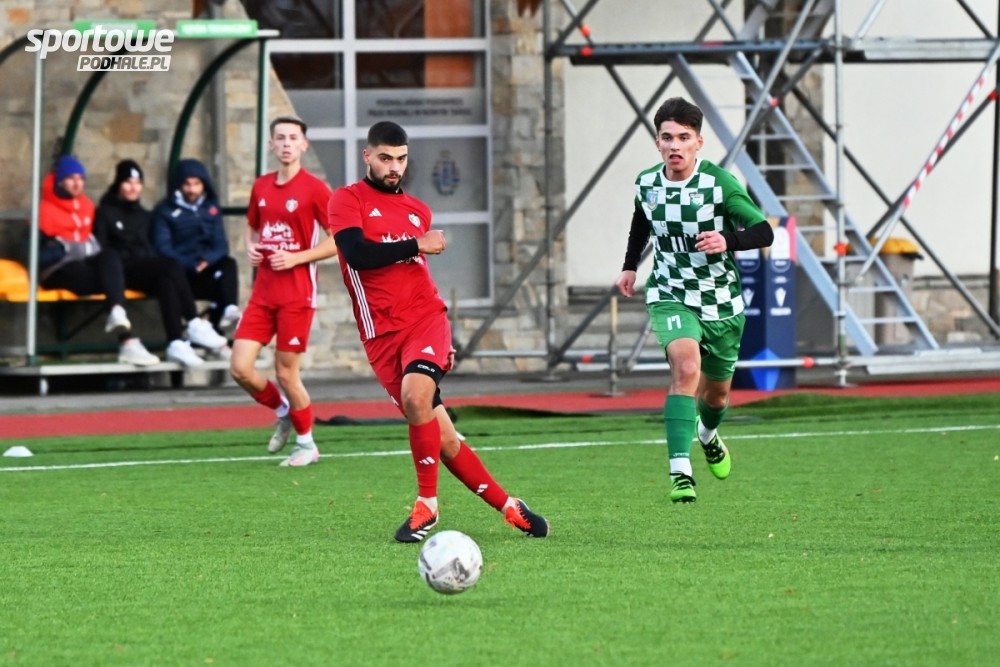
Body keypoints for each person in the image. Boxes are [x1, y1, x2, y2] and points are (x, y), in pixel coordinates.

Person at [328, 121, 549, 542]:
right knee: (443, 439)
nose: (394, 167)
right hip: (380, 336)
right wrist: (417, 243)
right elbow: (356, 255)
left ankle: (426, 506)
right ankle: (510, 507)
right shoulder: (347, 199)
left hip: (425, 319)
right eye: (385, 158)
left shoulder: (418, 211)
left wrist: (440, 339)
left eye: (401, 158)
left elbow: (417, 275)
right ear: (368, 157)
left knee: (416, 396)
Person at [615, 97, 774, 503]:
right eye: (667, 137)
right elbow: (641, 221)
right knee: (686, 367)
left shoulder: (719, 183)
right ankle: (680, 472)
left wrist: (728, 240)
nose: (675, 145)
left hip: (721, 302)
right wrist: (630, 266)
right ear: (657, 142)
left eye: (684, 137)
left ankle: (707, 433)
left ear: (698, 142)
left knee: (716, 396)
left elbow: (764, 231)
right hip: (670, 293)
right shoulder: (647, 183)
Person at [228, 116, 336, 467]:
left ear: (304, 144)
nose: (287, 143)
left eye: (293, 138)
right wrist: (250, 247)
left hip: (297, 295)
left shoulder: (316, 189)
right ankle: (283, 410)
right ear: (271, 145)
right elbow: (252, 228)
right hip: (263, 294)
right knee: (240, 368)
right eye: (280, 138)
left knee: (287, 373)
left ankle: (307, 444)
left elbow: (338, 240)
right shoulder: (261, 187)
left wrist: (296, 258)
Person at [94, 160, 230, 366]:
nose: (133, 188)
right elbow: (103, 250)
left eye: (137, 183)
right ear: (118, 184)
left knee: (166, 280)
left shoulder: (144, 215)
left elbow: (150, 247)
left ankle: (176, 342)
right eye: (128, 182)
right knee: (171, 265)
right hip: (119, 273)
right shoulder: (106, 212)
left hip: (143, 269)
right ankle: (193, 322)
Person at [37, 155, 159, 366]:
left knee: (110, 257)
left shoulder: (86, 206)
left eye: (80, 178)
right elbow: (40, 254)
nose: (77, 183)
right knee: (111, 280)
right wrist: (71, 248)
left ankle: (119, 317)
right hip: (57, 270)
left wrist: (71, 246)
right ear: (60, 181)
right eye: (71, 178)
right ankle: (127, 341)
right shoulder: (43, 210)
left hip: (82, 265)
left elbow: (94, 245)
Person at [150, 158, 241, 333]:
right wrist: (189, 263)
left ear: (203, 184)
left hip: (204, 269)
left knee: (228, 265)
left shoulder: (211, 208)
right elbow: (162, 247)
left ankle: (227, 314)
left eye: (196, 184)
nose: (192, 189)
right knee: (168, 280)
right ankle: (182, 336)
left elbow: (221, 244)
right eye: (187, 184)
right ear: (179, 185)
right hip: (180, 274)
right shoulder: (164, 211)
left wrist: (208, 259)